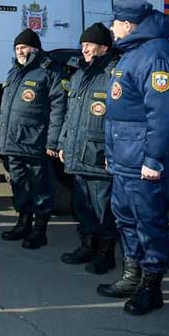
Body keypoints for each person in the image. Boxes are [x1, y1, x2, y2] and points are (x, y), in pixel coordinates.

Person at [97, 0, 169, 316]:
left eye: (115, 22)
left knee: (150, 221)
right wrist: (112, 155)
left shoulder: (158, 54)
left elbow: (164, 114)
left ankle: (152, 287)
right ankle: (131, 275)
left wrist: (154, 159)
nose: (111, 28)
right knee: (125, 217)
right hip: (125, 159)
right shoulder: (132, 54)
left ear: (128, 24)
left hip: (143, 163)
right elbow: (119, 116)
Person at [0, 28, 67, 249]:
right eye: (17, 48)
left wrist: (53, 142)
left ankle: (40, 230)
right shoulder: (14, 72)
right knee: (19, 185)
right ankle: (23, 223)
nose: (20, 51)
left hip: (35, 142)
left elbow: (59, 109)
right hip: (13, 142)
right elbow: (6, 110)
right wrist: (1, 138)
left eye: (24, 47)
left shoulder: (51, 71)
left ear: (35, 48)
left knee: (40, 187)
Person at [57, 23, 119, 274]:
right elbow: (70, 114)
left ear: (103, 47)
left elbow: (120, 120)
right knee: (82, 206)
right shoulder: (80, 75)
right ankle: (87, 246)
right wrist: (62, 143)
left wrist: (114, 153)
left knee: (102, 207)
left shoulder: (114, 75)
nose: (83, 49)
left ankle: (106, 254)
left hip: (98, 154)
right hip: (76, 151)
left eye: (89, 45)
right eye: (82, 45)